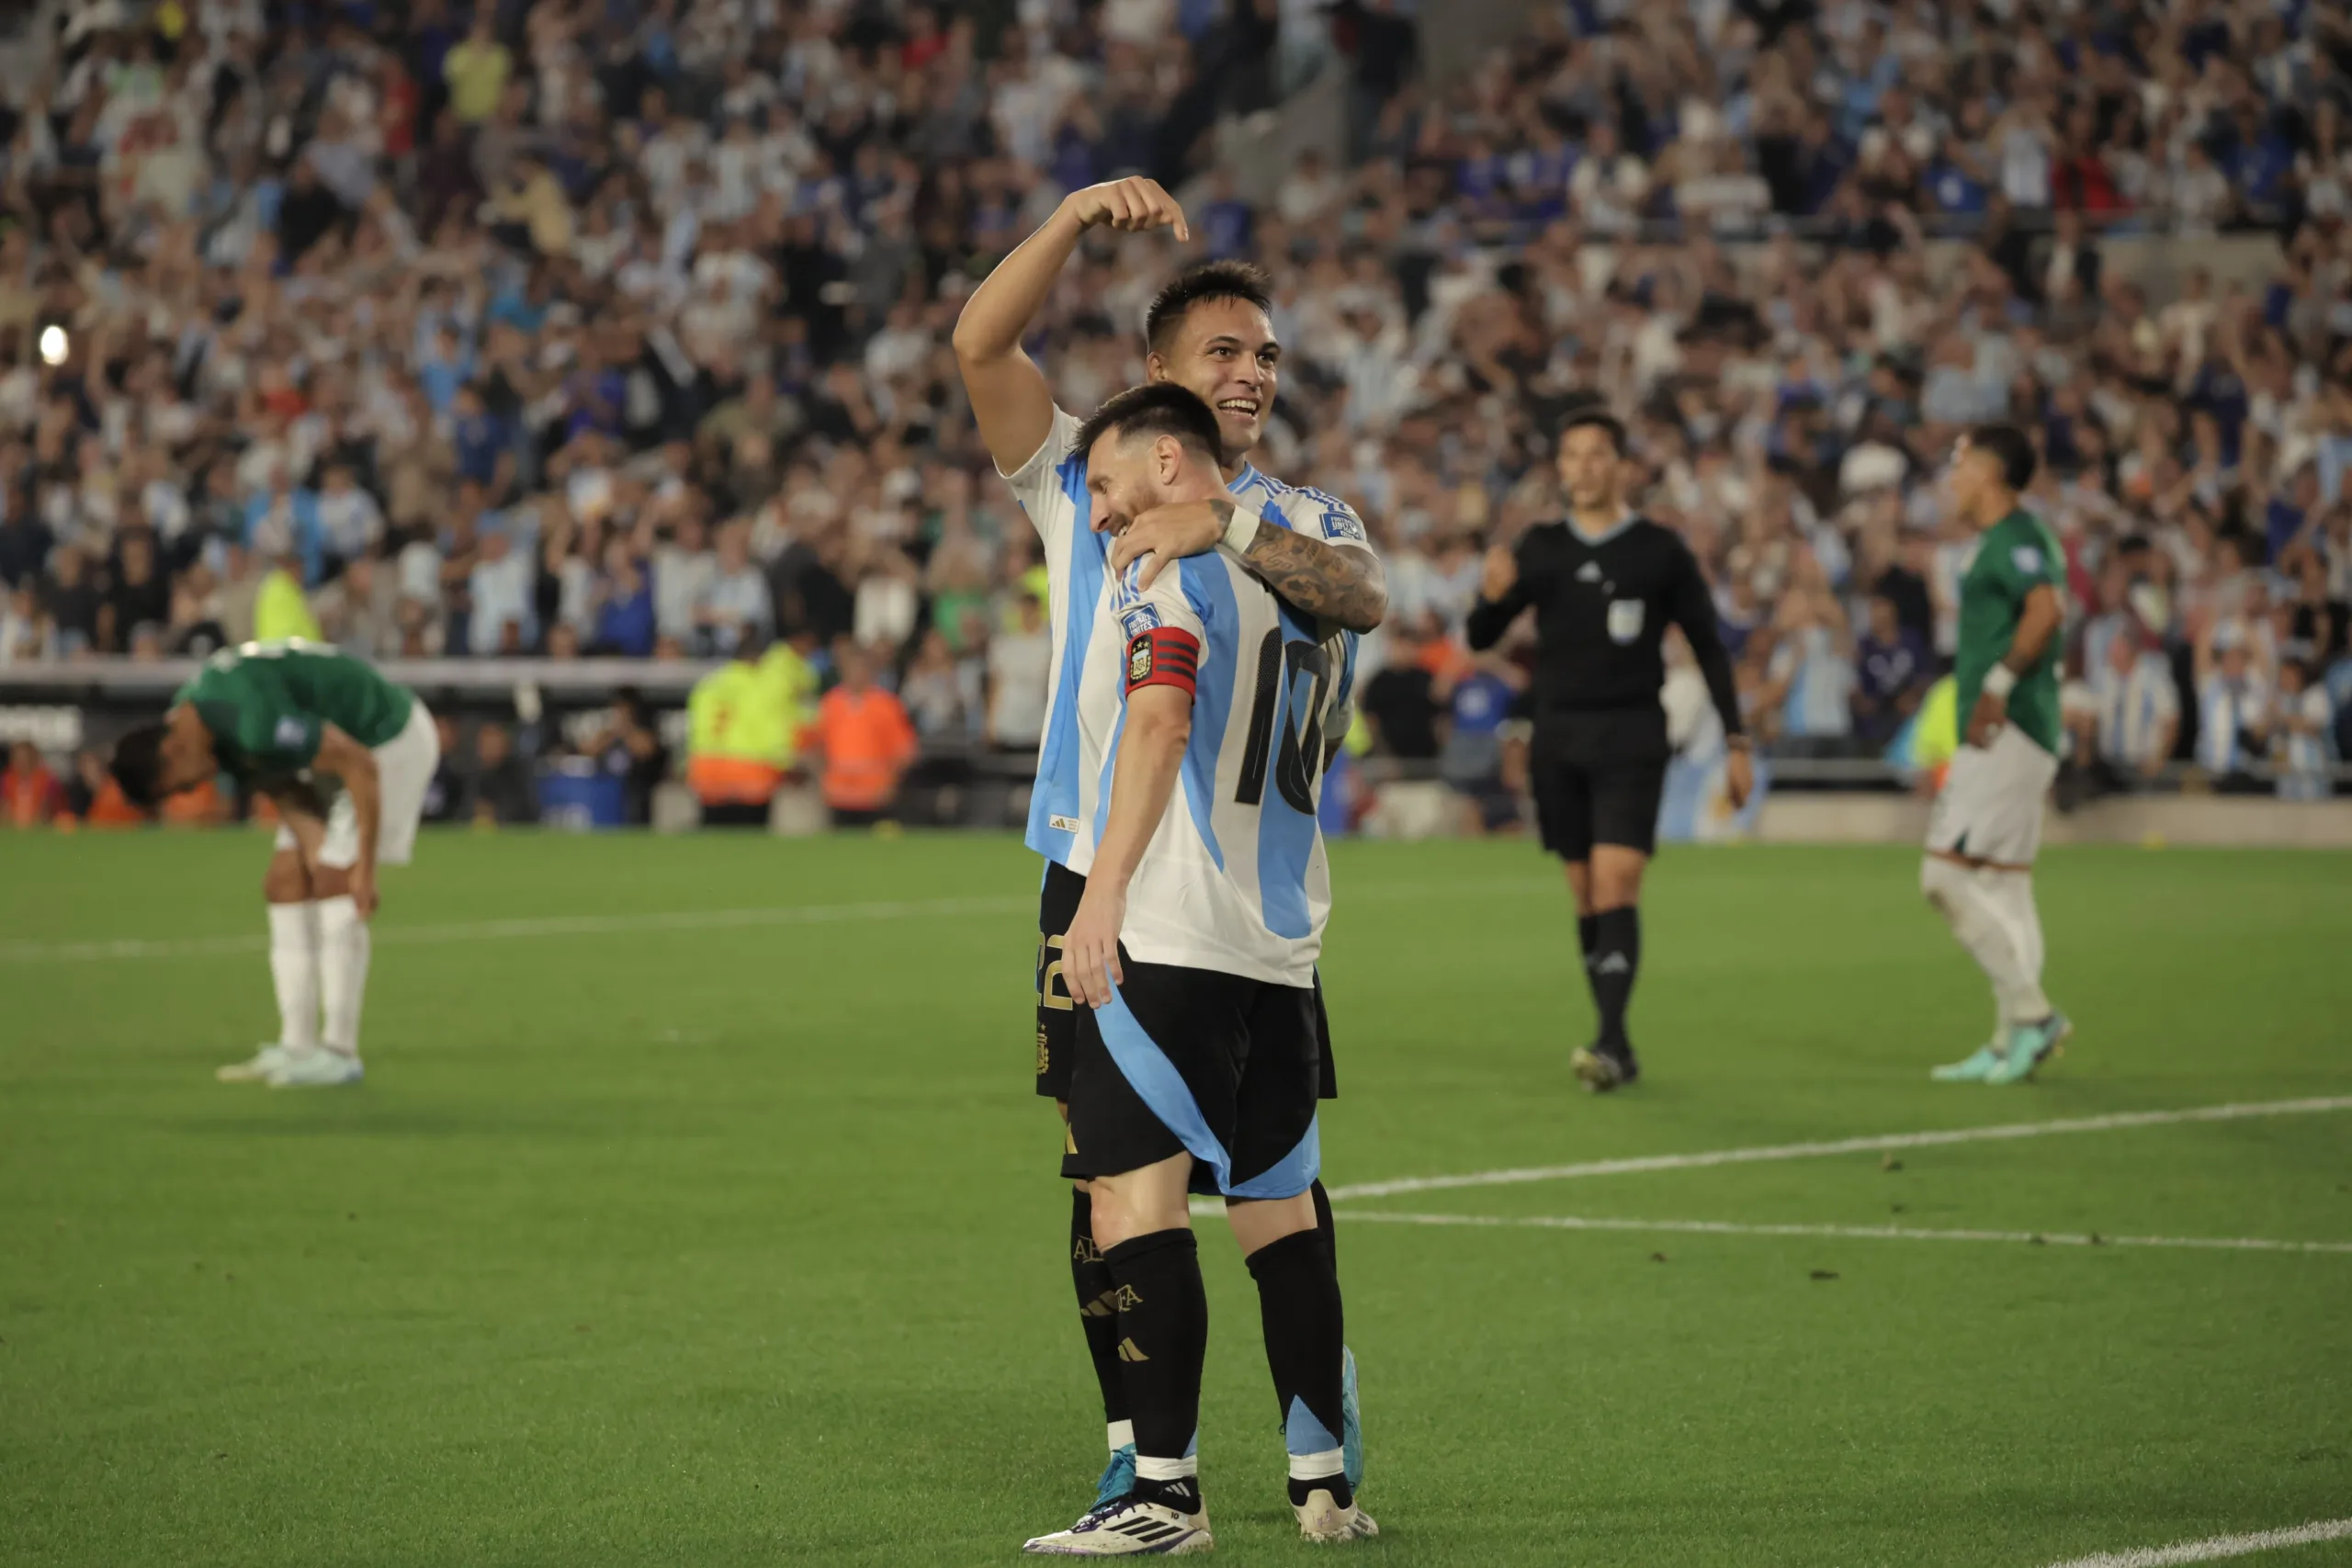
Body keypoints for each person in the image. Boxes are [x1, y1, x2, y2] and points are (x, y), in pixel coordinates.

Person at [954, 180, 1385, 1523]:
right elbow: (979, 346)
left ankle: (1161, 1471)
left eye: (1266, 352)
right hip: (1126, 884)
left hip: (1166, 897)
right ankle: (1189, 1443)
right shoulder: (1098, 473)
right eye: (1224, 351)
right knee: (1119, 1184)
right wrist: (1075, 219)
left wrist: (1224, 523)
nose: (1252, 370)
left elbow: (1349, 601)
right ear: (1158, 379)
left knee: (1146, 1186)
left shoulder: (1280, 518)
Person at [1021, 383, 1374, 1555]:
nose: (1106, 518)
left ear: (1169, 461)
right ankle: (1323, 1481)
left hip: (1173, 929)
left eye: (1114, 493)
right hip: (1283, 943)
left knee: (1131, 1200)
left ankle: (1160, 1493)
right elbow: (1357, 615)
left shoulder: (1164, 567)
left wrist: (1103, 893)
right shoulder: (1303, 565)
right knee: (1278, 1212)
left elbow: (1160, 721)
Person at [1464, 411, 1751, 1091]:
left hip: (1631, 735)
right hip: (1558, 738)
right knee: (1586, 894)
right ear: (1560, 468)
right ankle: (1613, 1035)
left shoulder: (1658, 550)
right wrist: (1491, 593)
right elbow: (1482, 634)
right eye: (1571, 456)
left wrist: (1737, 740)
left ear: (1622, 465)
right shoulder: (1540, 547)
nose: (1584, 468)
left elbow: (1709, 644)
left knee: (1618, 881)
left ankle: (1612, 1041)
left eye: (1597, 455)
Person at [107, 638, 442, 1087]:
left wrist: (362, 868)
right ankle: (297, 1045)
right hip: (338, 758)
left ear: (172, 753)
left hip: (388, 741)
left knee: (336, 882)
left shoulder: (253, 720)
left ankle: (341, 1053)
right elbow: (281, 786)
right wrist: (314, 848)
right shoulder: (201, 726)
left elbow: (357, 763)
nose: (190, 793)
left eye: (178, 788)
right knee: (285, 882)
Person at [1918, 425, 2073, 1086]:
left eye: (1957, 465)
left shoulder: (2018, 539)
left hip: (2006, 728)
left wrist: (2000, 687)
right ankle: (2012, 1036)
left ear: (1987, 472)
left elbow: (2045, 610)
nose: (1950, 479)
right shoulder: (1997, 541)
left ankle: (2033, 1015)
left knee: (1943, 878)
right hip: (2016, 728)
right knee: (2006, 884)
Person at [803, 643, 918, 828]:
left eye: (861, 668)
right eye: (851, 668)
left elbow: (904, 751)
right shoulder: (830, 704)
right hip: (838, 792)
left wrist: (892, 782)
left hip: (875, 793)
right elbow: (816, 744)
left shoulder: (886, 705)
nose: (856, 673)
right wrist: (821, 779)